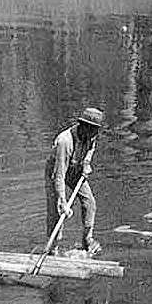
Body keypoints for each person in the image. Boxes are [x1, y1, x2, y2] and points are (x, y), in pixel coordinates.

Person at [45, 107, 104, 256]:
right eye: (94, 130)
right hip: (56, 170)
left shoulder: (91, 135)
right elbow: (59, 175)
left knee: (89, 203)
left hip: (76, 167)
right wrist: (63, 201)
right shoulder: (64, 142)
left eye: (97, 130)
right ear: (84, 127)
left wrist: (86, 163)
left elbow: (90, 148)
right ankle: (53, 250)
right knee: (57, 212)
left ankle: (87, 241)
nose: (96, 134)